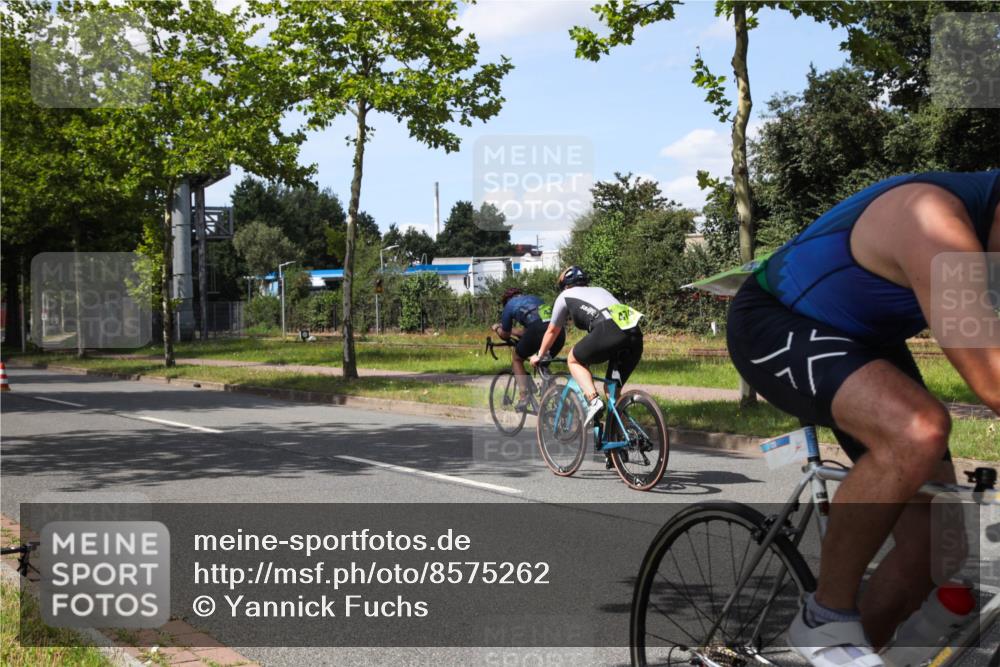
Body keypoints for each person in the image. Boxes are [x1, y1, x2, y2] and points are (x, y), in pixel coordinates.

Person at [726, 170, 1000, 667]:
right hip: (776, 321)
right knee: (917, 428)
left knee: (936, 550)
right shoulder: (934, 220)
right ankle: (823, 617)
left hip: (864, 341)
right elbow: (993, 379)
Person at [530, 266, 644, 427]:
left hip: (608, 330)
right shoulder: (600, 290)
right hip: (634, 334)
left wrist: (540, 355)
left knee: (574, 360)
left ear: (565, 285)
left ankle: (593, 400)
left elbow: (552, 330)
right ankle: (623, 439)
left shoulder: (565, 295)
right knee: (612, 392)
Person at [491, 287, 565, 411]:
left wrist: (497, 328)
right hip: (559, 332)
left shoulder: (509, 305)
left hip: (537, 330)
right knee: (543, 361)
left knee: (517, 358)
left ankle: (523, 396)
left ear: (507, 300)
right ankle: (556, 395)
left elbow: (505, 335)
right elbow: (531, 329)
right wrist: (514, 332)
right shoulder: (535, 299)